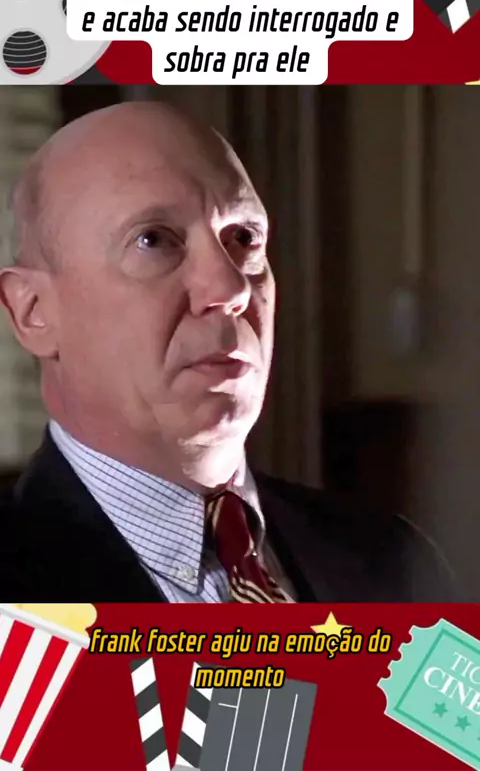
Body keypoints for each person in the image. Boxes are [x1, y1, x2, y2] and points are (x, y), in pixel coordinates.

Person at [0, 101, 456, 602]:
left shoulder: (396, 563)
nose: (230, 287)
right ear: (33, 312)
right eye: (154, 240)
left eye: (244, 237)